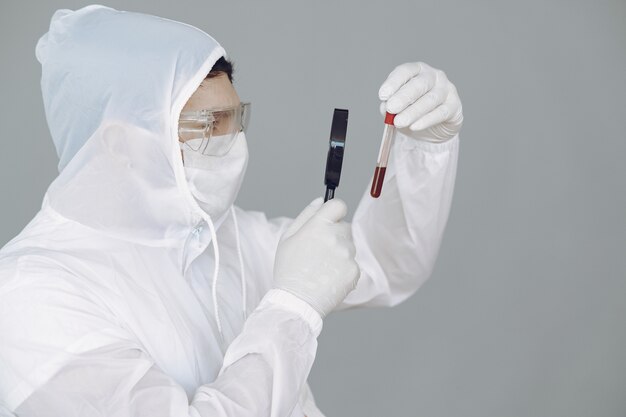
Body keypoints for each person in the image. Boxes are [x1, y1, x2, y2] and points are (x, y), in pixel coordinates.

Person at [0, 5, 462, 417]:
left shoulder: (217, 235)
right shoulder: (29, 296)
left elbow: (383, 265)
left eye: (236, 118)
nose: (234, 142)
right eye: (209, 126)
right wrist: (292, 308)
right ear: (118, 142)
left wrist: (424, 151)